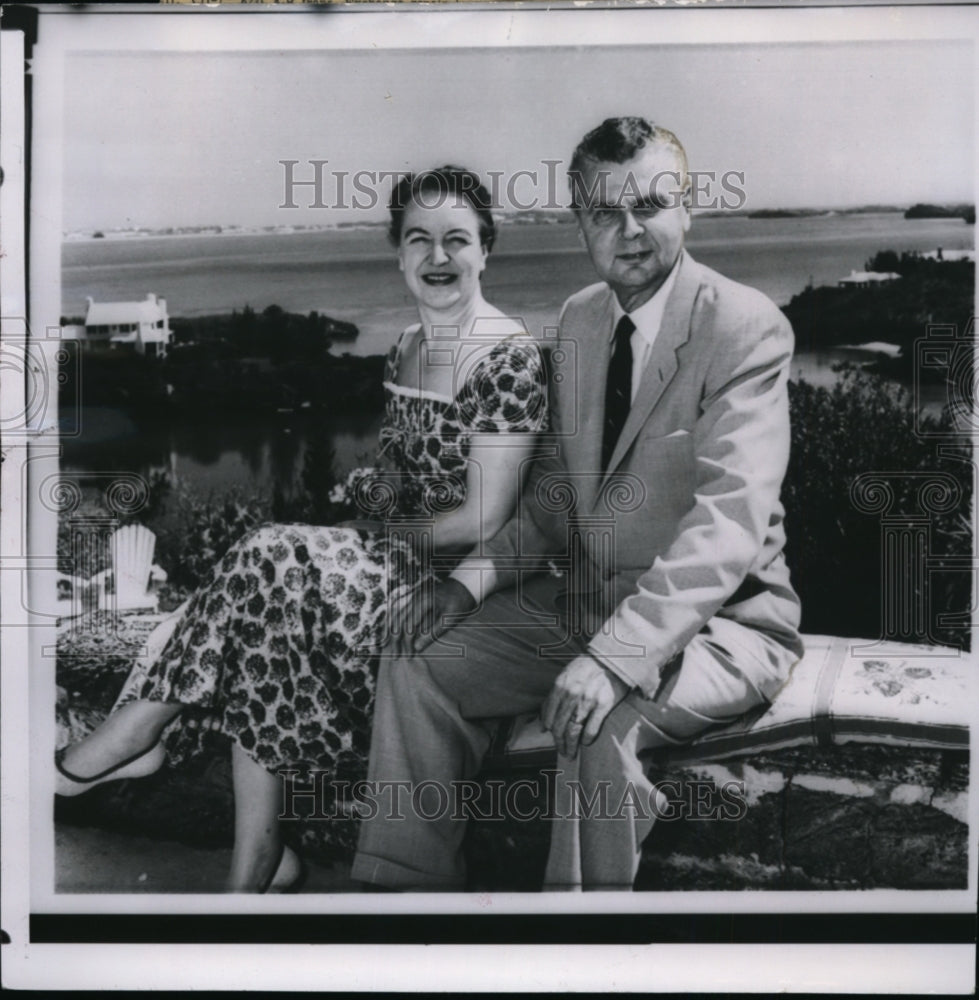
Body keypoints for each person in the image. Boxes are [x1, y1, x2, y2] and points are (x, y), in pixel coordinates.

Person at [55, 165, 548, 892]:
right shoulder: (408, 345)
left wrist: (371, 532)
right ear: (397, 251)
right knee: (268, 596)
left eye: (456, 240)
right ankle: (255, 865)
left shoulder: (507, 358)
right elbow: (396, 474)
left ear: (487, 251)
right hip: (389, 561)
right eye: (419, 239)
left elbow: (484, 517)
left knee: (269, 564)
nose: (437, 258)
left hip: (457, 587)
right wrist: (365, 504)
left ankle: (130, 744)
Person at [351, 118, 804, 892]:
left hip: (720, 627)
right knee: (417, 659)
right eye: (603, 212)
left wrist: (615, 658)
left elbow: (725, 524)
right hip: (584, 606)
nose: (628, 232)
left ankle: (576, 946)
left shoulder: (743, 326)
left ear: (686, 209)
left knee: (593, 723)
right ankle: (402, 903)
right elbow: (553, 504)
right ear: (580, 223)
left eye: (650, 205)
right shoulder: (580, 320)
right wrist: (463, 585)